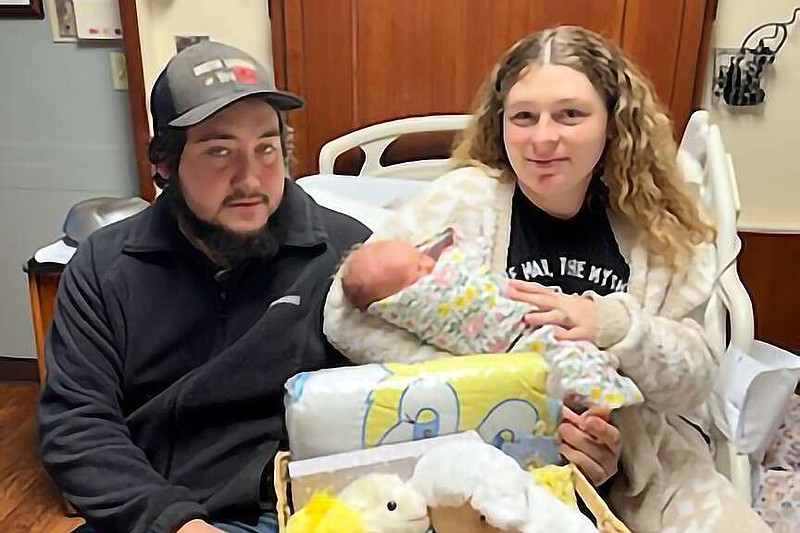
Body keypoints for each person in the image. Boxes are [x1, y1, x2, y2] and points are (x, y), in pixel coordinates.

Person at [324, 26, 771, 531]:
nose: (543, 138)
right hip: (474, 452)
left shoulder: (658, 227)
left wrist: (611, 324)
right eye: (523, 117)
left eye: (571, 115)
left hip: (643, 462)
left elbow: (693, 382)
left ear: (613, 121)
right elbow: (345, 314)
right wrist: (501, 390)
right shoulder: (464, 202)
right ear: (502, 122)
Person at [38, 41, 370, 533]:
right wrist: (175, 523)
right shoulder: (105, 266)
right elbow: (76, 424)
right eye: (219, 151)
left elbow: (397, 394)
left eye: (266, 148)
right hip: (156, 510)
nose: (250, 178)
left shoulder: (345, 253)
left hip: (302, 511)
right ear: (166, 164)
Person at [339, 232, 644, 409]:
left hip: (532, 327)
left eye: (424, 258)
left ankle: (606, 387)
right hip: (515, 343)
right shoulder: (419, 300)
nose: (431, 262)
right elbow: (465, 271)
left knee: (567, 352)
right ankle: (607, 392)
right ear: (397, 298)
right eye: (419, 269)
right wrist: (454, 255)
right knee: (562, 361)